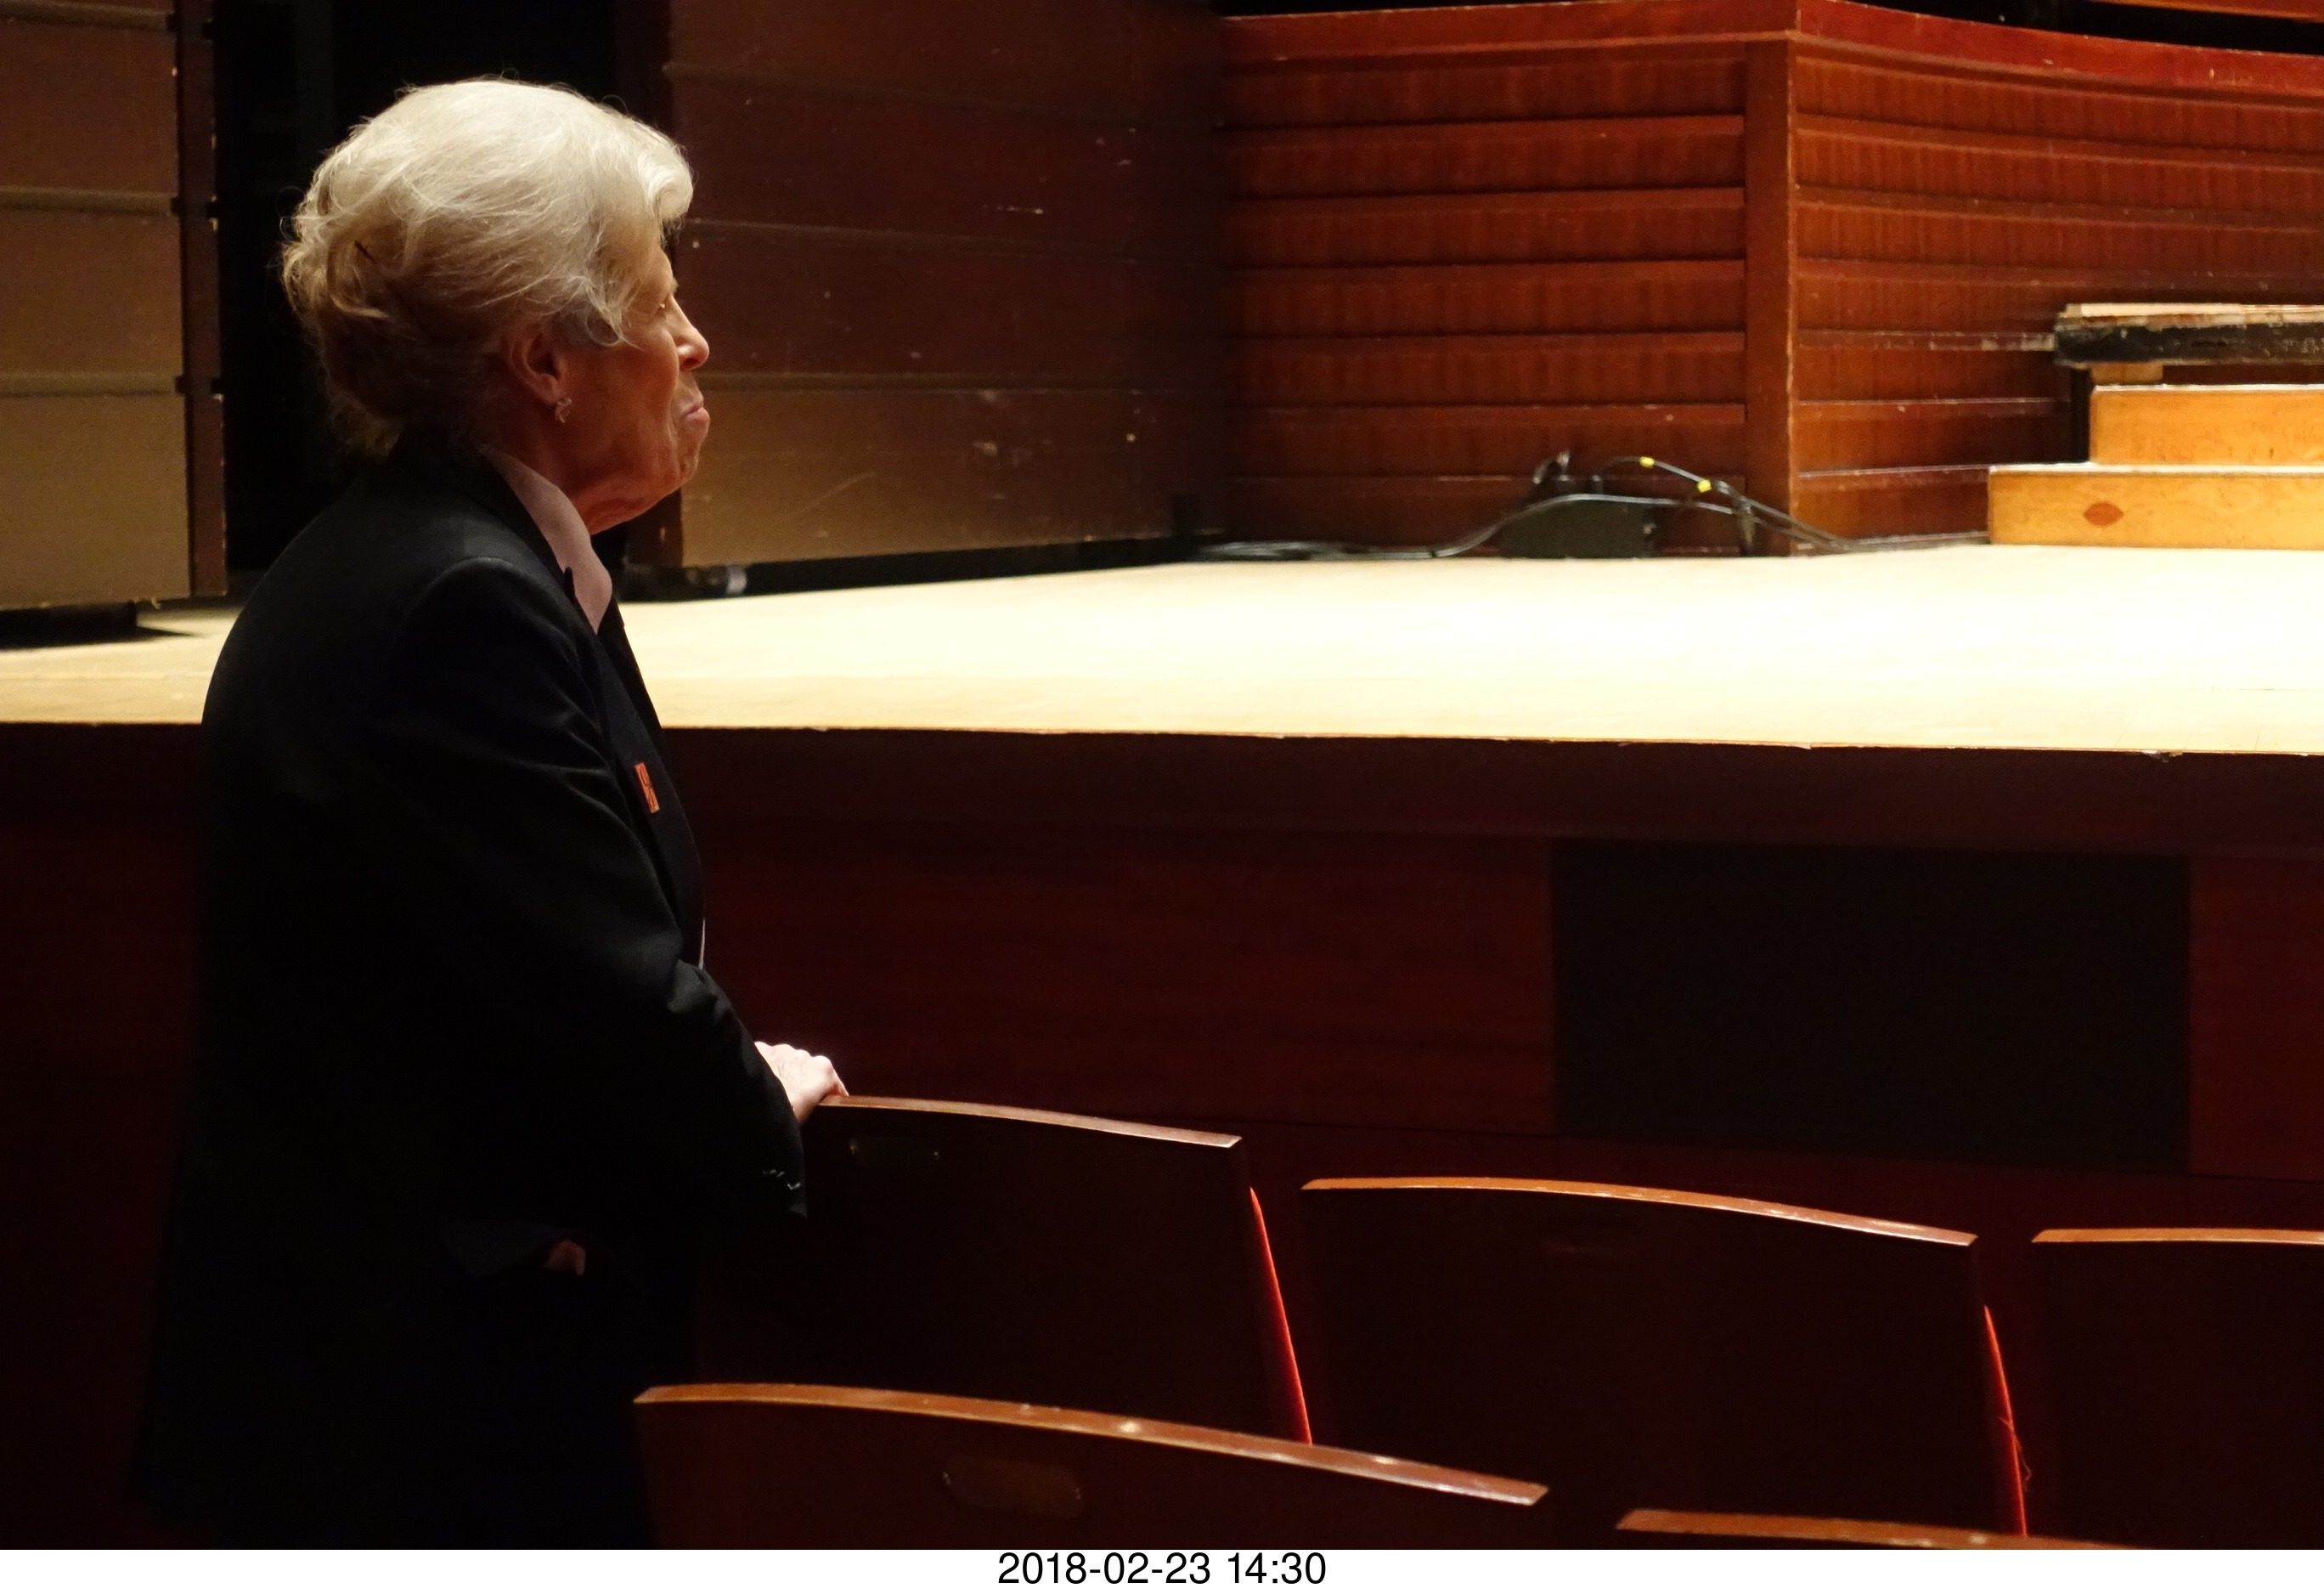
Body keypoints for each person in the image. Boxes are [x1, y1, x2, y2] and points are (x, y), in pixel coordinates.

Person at [136, 79, 843, 1547]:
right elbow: (601, 994)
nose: (695, 340)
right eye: (659, 298)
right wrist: (756, 1106)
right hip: (415, 1437)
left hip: (401, 1387)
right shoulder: (462, 601)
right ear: (544, 359)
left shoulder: (456, 556)